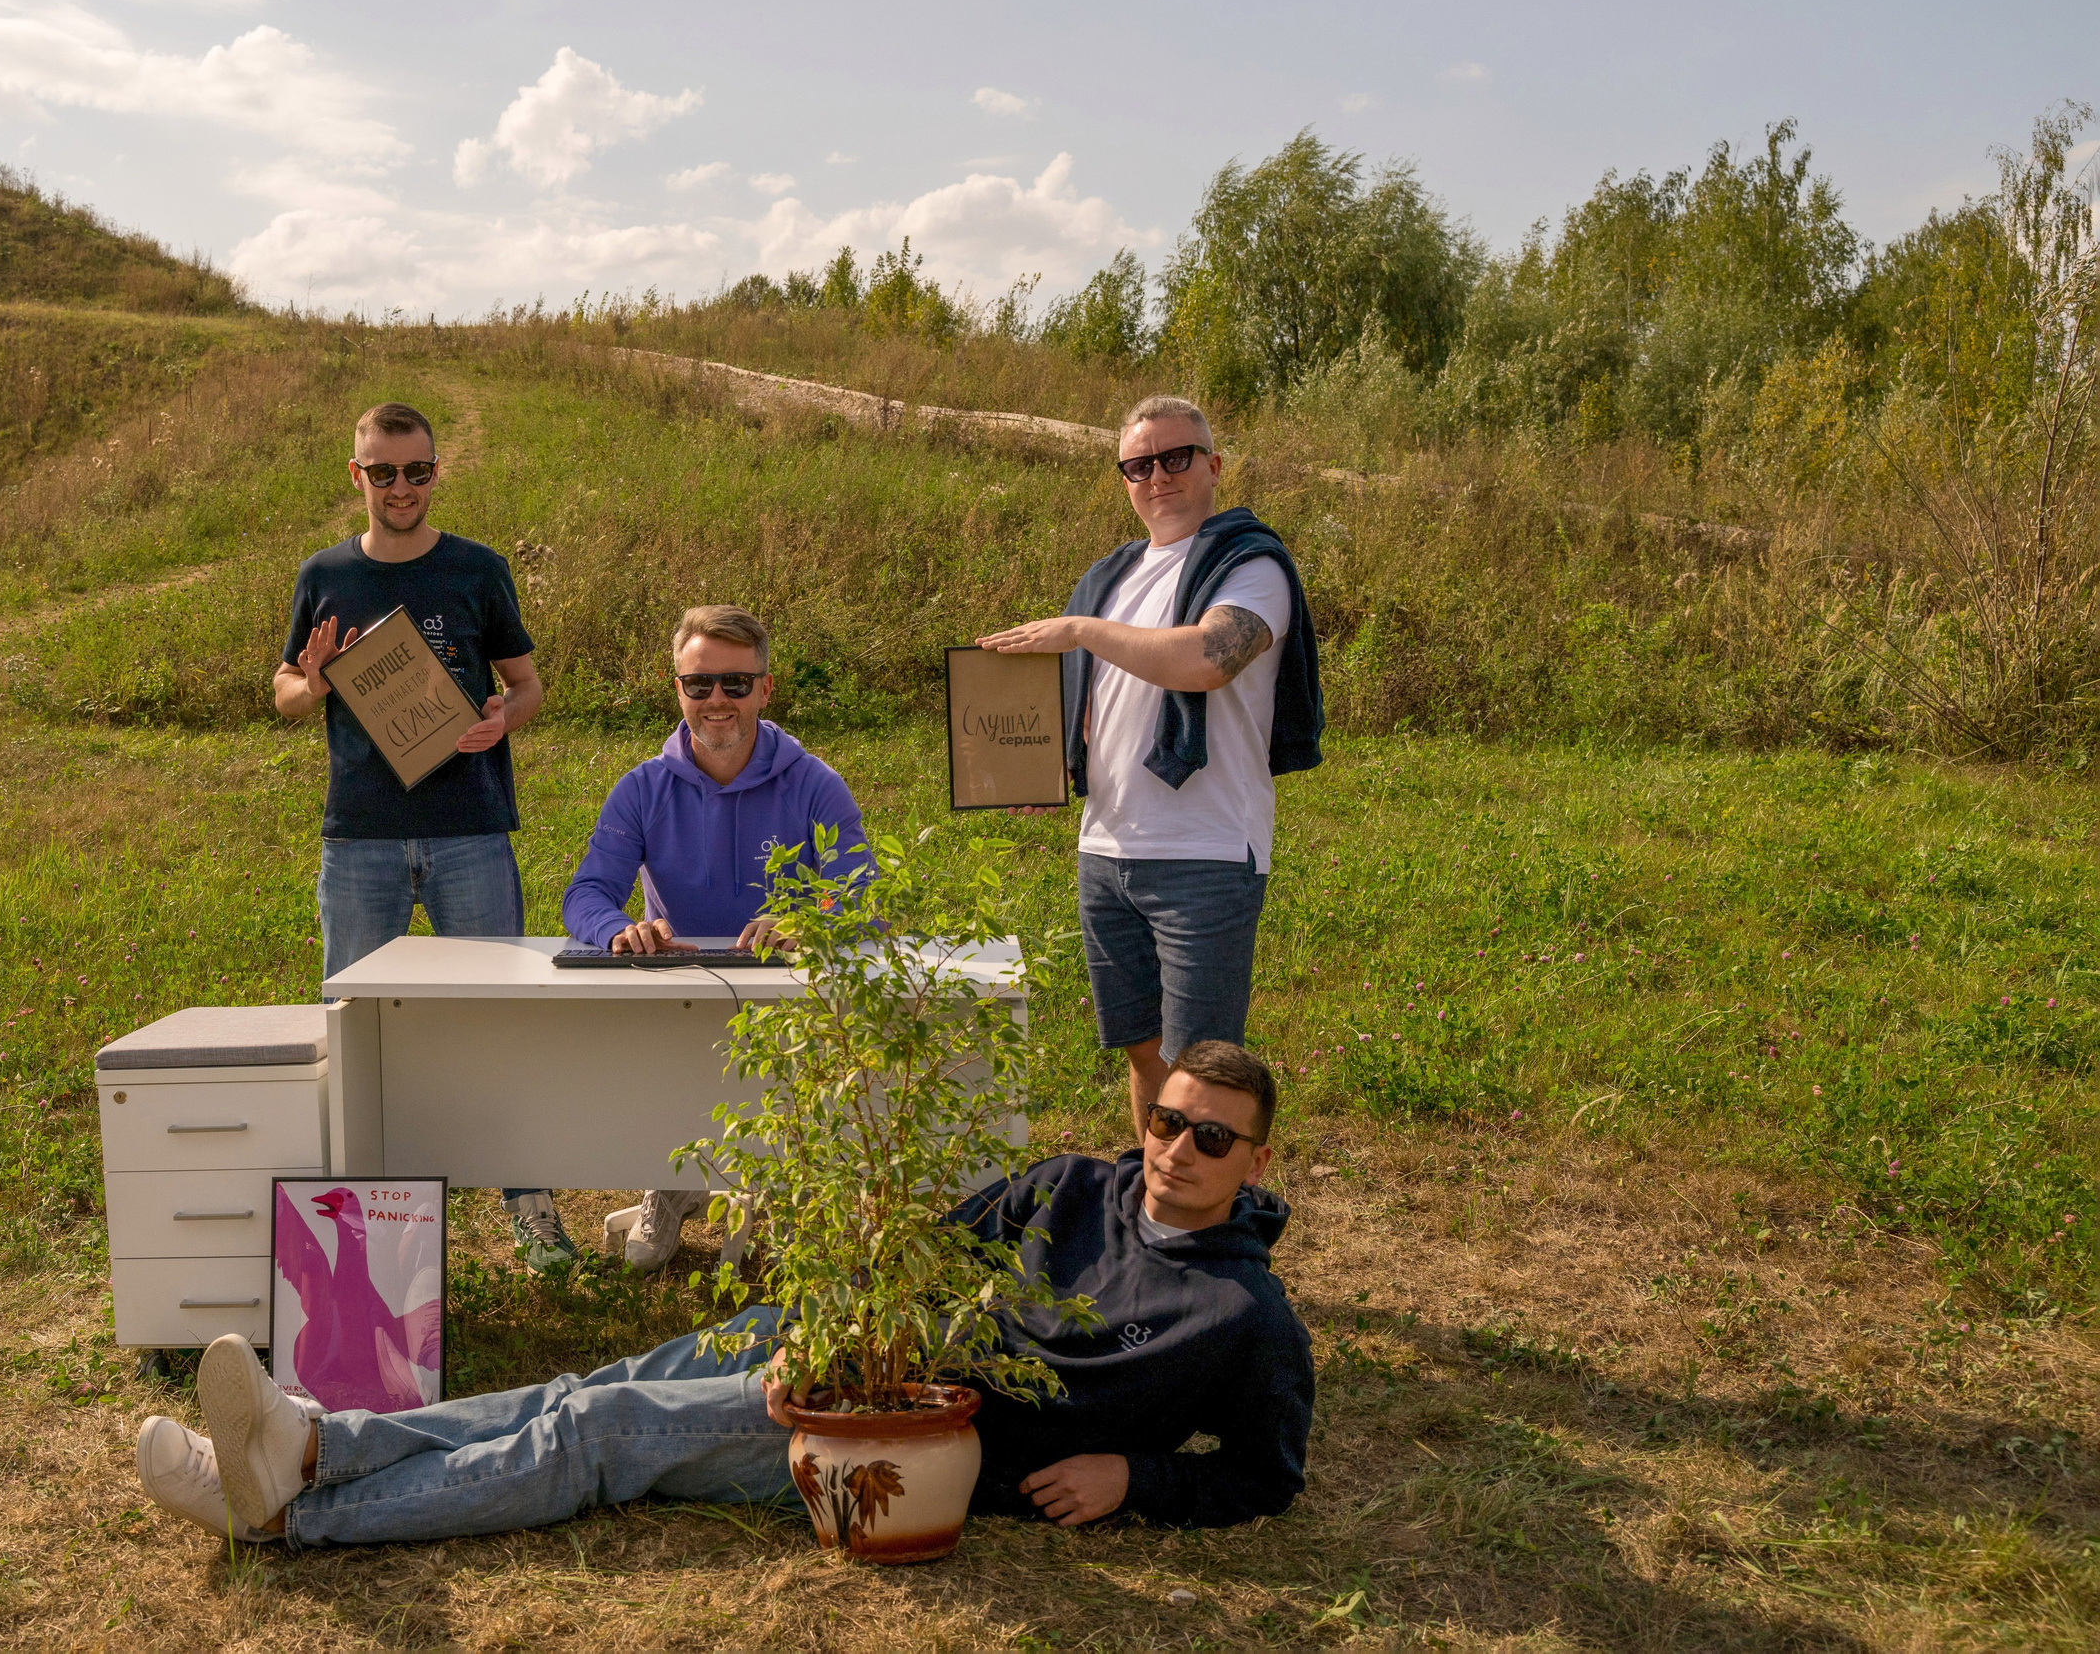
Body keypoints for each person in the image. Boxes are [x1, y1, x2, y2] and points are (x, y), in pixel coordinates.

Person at [133, 1041, 1314, 1545]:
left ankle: (290, 1516)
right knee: (585, 1385)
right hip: (845, 1348)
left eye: (1212, 1139)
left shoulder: (1243, 1318)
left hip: (904, 1434)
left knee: (600, 1432)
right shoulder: (1071, 1184)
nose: (1178, 1149)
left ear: (1254, 1161)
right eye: (1166, 1120)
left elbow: (1267, 1476)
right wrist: (828, 1326)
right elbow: (918, 1261)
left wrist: (1137, 1478)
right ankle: (322, 1447)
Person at [276, 400, 572, 1272]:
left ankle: (532, 1208)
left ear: (436, 472)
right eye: (382, 471)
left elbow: (527, 686)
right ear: (355, 475)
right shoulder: (324, 573)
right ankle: (358, 1226)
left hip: (468, 827)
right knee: (353, 1026)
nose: (400, 487)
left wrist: (498, 718)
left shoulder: (478, 570)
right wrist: (317, 682)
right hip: (361, 834)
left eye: (417, 470)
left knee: (500, 1020)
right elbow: (285, 693)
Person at [977, 395, 1322, 1143]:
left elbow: (1204, 660)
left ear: (1214, 465)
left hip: (1205, 852)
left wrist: (1076, 630)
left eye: (1176, 457)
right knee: (1140, 1048)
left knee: (1202, 1069)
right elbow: (1095, 699)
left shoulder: (1250, 563)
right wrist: (1043, 767)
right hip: (1107, 850)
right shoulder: (1112, 575)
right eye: (1139, 464)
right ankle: (1157, 1206)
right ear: (1124, 478)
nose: (1157, 475)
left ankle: (1203, 1230)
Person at [559, 605, 871, 1271]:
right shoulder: (641, 789)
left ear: (765, 686)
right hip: (677, 1002)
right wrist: (620, 929)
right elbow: (586, 894)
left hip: (788, 1006)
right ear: (678, 689)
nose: (717, 700)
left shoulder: (816, 784)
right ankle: (670, 1182)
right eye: (698, 684)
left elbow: (859, 890)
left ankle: (782, 1186)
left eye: (735, 682)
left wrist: (808, 918)